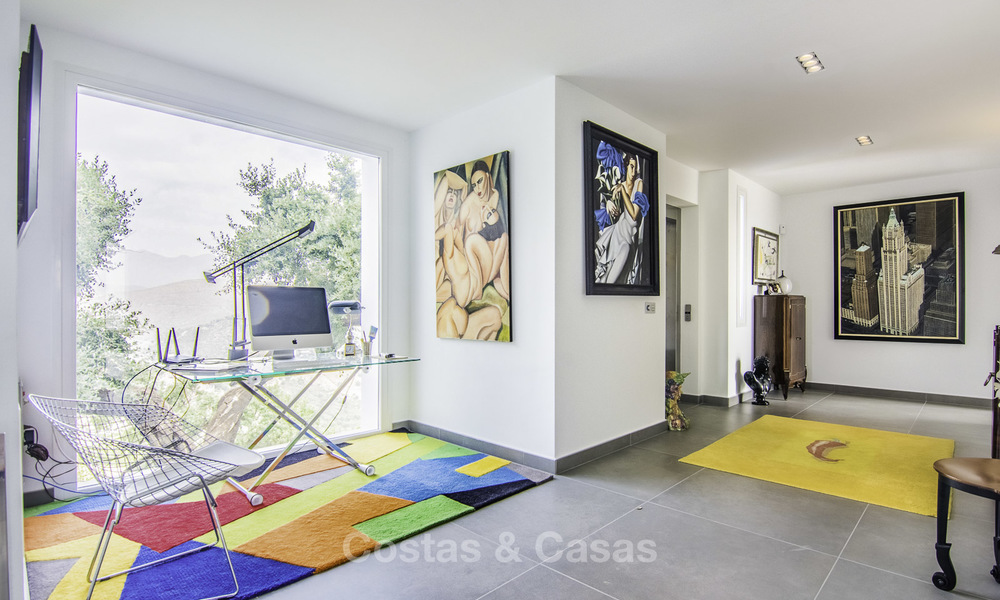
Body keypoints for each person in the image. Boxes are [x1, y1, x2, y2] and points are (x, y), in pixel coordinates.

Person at [594, 150, 649, 285]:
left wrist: (623, 191)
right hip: (616, 234)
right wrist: (609, 203)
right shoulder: (619, 185)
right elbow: (608, 203)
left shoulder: (638, 184)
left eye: (635, 167)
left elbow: (634, 215)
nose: (633, 171)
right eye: (631, 167)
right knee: (604, 279)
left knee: (612, 281)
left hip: (627, 241)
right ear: (625, 167)